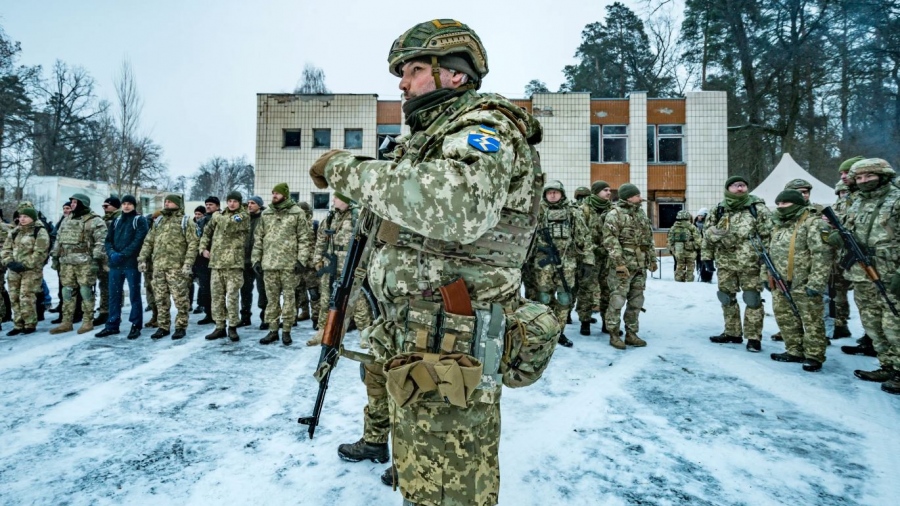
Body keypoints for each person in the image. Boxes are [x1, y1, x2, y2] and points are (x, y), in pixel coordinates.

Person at [308, 18, 545, 506]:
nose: (401, 82)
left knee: (446, 492)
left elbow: (458, 206)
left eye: (413, 69)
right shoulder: (434, 135)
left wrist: (343, 169)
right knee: (426, 472)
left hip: (451, 339)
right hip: (420, 334)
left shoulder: (483, 127)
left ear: (454, 74)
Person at [836, 158, 900, 394]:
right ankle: (888, 365)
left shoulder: (896, 199)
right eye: (859, 178)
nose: (864, 182)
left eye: (869, 176)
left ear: (882, 175)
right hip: (862, 272)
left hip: (889, 272)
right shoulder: (857, 202)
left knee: (894, 322)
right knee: (872, 323)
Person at [703, 176, 772, 352]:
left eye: (743, 185)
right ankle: (732, 332)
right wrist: (706, 258)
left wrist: (766, 263)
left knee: (752, 299)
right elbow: (707, 235)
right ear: (728, 189)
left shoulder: (758, 209)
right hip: (725, 263)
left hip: (751, 263)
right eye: (735, 186)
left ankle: (753, 337)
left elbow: (768, 236)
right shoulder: (718, 209)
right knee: (726, 298)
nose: (740, 188)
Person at [767, 190, 831, 371]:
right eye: (778, 204)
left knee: (811, 320)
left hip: (804, 282)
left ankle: (814, 355)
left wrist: (816, 283)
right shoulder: (780, 225)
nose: (780, 207)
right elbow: (771, 254)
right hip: (780, 281)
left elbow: (822, 255)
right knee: (785, 316)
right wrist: (768, 277)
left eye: (785, 204)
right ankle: (794, 350)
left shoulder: (812, 223)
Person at [531, 180, 594, 347]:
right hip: (543, 263)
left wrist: (588, 261)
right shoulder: (538, 211)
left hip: (567, 263)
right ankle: (544, 331)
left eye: (556, 192)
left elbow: (585, 237)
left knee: (565, 297)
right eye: (549, 192)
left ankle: (559, 331)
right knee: (544, 297)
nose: (552, 194)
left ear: (562, 194)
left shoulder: (573, 213)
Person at [305, 192, 372, 347]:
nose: (333, 200)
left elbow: (368, 241)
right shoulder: (330, 218)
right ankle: (322, 331)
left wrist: (364, 263)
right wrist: (317, 260)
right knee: (326, 300)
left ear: (346, 200)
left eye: (336, 197)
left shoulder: (358, 217)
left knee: (358, 300)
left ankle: (365, 334)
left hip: (351, 264)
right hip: (331, 263)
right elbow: (321, 239)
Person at [251, 184, 311, 346]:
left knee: (289, 299)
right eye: (273, 193)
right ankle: (272, 330)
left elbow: (304, 239)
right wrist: (256, 259)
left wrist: (301, 260)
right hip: (269, 264)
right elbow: (259, 239)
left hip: (289, 265)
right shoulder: (267, 213)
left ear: (285, 194)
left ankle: (286, 330)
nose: (274, 195)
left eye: (277, 193)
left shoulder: (297, 213)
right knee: (272, 299)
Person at [603, 183, 657, 348]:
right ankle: (614, 334)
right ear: (628, 197)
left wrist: (652, 259)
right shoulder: (615, 214)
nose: (640, 197)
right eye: (637, 195)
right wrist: (619, 263)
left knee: (636, 301)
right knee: (617, 300)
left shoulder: (640, 214)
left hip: (639, 266)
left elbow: (648, 239)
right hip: (622, 267)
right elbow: (610, 241)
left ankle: (631, 334)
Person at [138, 195, 198, 340]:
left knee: (180, 299)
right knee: (160, 299)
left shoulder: (185, 221)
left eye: (169, 201)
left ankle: (180, 326)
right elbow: (148, 241)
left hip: (176, 268)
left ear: (177, 204)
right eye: (165, 201)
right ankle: (163, 326)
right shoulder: (159, 221)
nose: (166, 203)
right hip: (159, 267)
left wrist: (188, 263)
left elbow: (193, 244)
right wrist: (142, 258)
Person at [49, 194, 107, 335]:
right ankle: (66, 322)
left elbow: (101, 241)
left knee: (86, 291)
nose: (72, 204)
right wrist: (55, 256)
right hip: (67, 262)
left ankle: (87, 321)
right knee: (66, 291)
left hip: (85, 262)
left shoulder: (94, 220)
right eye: (72, 202)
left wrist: (95, 260)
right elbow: (59, 239)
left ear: (83, 203)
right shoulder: (67, 219)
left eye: (75, 202)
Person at [199, 191, 250, 342]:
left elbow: (228, 225)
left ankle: (232, 326)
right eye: (229, 201)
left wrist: (216, 215)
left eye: (235, 201)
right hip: (216, 263)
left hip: (233, 264)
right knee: (217, 297)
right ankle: (219, 326)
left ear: (240, 203)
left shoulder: (242, 216)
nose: (232, 204)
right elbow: (206, 233)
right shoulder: (219, 215)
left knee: (232, 297)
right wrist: (203, 249)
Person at [97, 195, 148, 339]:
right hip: (115, 265)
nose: (126, 206)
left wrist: (124, 254)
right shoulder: (116, 220)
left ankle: (136, 325)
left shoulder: (139, 220)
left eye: (129, 204)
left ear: (134, 205)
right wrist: (112, 253)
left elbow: (139, 240)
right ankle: (112, 324)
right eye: (124, 203)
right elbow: (108, 240)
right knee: (114, 295)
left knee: (134, 295)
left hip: (130, 264)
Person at [2, 207, 50, 335]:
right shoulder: (15, 231)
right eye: (20, 216)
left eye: (25, 217)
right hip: (14, 270)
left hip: (31, 271)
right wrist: (9, 262)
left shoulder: (40, 231)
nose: (22, 219)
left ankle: (29, 323)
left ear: (32, 218)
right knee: (14, 297)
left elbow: (40, 253)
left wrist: (24, 265)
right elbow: (6, 248)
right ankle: (18, 324)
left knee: (26, 297)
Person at [575, 180, 613, 335]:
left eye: (609, 190)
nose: (609, 192)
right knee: (586, 290)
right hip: (588, 258)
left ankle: (607, 322)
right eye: (605, 190)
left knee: (608, 290)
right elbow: (579, 235)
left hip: (608, 257)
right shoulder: (583, 210)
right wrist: (594, 249)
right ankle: (585, 321)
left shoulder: (612, 210)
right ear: (596, 192)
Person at [240, 196, 267, 327]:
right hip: (245, 261)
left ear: (259, 206)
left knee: (263, 290)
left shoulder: (265, 219)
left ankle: (265, 318)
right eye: (248, 203)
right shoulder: (243, 219)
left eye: (253, 203)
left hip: (260, 261)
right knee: (245, 290)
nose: (249, 205)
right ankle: (245, 316)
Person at [95, 197, 122, 326]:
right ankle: (105, 310)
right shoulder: (104, 220)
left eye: (107, 206)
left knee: (113, 286)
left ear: (115, 207)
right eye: (103, 206)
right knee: (104, 285)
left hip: (113, 257)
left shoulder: (119, 219)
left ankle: (113, 312)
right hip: (103, 257)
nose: (104, 209)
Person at [194, 197, 219, 325]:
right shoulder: (201, 221)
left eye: (211, 204)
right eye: (207, 204)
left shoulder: (220, 218)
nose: (208, 206)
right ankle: (209, 314)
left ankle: (218, 314)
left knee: (217, 290)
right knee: (205, 289)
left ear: (217, 206)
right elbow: (196, 238)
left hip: (218, 259)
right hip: (203, 260)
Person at [295, 201, 320, 327]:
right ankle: (300, 313)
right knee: (297, 292)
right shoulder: (293, 225)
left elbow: (320, 244)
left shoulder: (314, 225)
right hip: (297, 264)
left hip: (310, 266)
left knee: (314, 292)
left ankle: (316, 318)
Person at [48, 202, 72, 315]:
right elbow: (54, 235)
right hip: (60, 256)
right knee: (61, 283)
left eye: (67, 208)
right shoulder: (62, 221)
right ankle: (61, 304)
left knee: (69, 285)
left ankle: (70, 309)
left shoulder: (75, 221)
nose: (65, 210)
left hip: (71, 258)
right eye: (64, 208)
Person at [667, 210, 700, 282]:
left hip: (678, 251)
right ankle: (689, 282)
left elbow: (669, 240)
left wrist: (673, 249)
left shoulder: (673, 227)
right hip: (690, 251)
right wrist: (696, 248)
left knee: (679, 266)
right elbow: (698, 239)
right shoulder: (692, 227)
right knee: (690, 267)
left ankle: (679, 282)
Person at [693, 208, 713, 282]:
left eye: (701, 215)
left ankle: (708, 277)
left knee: (708, 262)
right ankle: (702, 276)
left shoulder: (709, 225)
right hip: (699, 247)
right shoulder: (695, 225)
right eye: (698, 215)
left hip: (708, 246)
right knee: (700, 262)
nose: (699, 217)